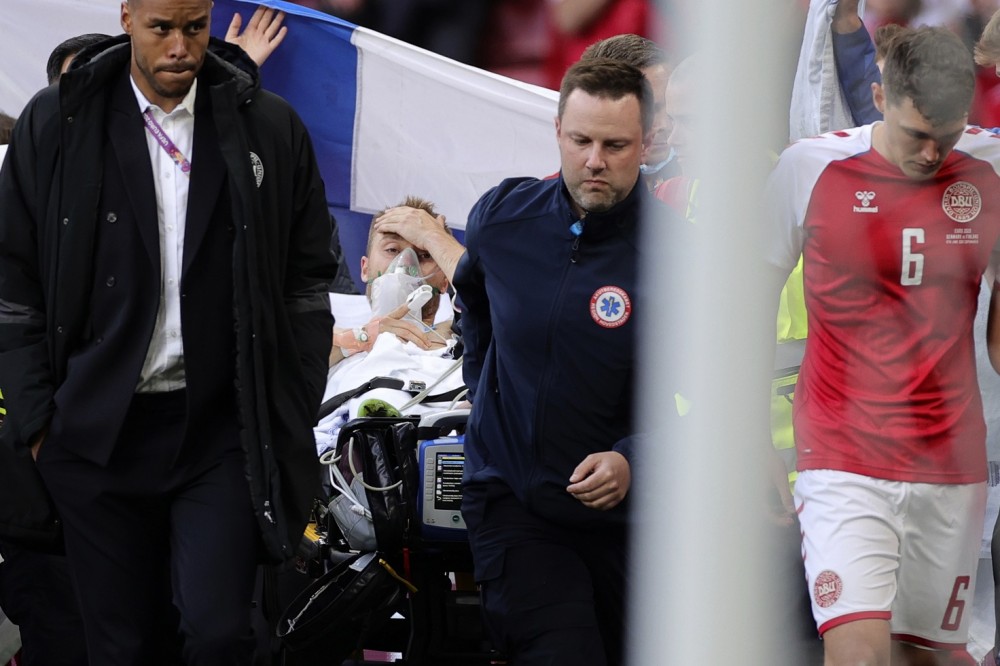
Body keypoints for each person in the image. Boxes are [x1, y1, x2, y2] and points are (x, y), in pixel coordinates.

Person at [0, 0, 336, 664]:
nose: (180, 46)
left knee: (218, 632)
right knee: (119, 646)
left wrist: (289, 403)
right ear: (126, 18)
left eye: (195, 28)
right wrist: (40, 421)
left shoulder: (266, 125)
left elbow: (306, 281)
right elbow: (13, 275)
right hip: (93, 431)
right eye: (162, 29)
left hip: (220, 429)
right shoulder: (57, 121)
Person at [764, 26, 999, 665]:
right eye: (914, 134)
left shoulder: (992, 173)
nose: (929, 154)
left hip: (951, 463)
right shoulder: (809, 166)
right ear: (876, 96)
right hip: (841, 456)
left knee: (926, 658)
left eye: (946, 137)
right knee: (861, 657)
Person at [454, 58, 671, 665]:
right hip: (512, 502)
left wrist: (634, 460)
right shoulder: (503, 217)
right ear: (557, 133)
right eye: (580, 141)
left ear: (646, 143)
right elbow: (473, 301)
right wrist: (485, 388)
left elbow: (712, 402)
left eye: (615, 144)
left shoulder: (681, 256)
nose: (594, 160)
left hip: (629, 523)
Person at [579, 33, 678, 191]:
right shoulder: (559, 204)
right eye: (647, 110)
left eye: (671, 107)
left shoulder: (710, 186)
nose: (665, 125)